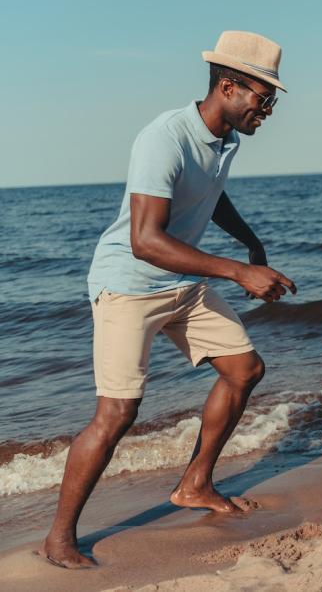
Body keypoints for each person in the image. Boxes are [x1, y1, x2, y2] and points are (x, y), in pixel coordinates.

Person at [41, 31, 297, 568]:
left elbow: (210, 191)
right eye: (262, 97)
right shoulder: (164, 137)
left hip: (180, 281)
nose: (267, 109)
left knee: (244, 369)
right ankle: (59, 537)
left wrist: (248, 242)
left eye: (272, 99)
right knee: (117, 413)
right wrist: (236, 273)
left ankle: (195, 484)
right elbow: (145, 240)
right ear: (228, 86)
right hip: (129, 286)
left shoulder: (225, 138)